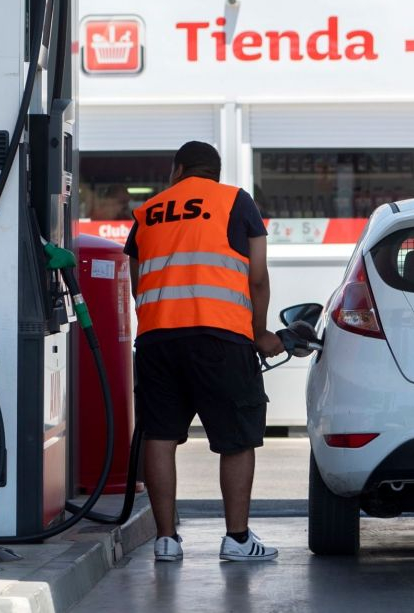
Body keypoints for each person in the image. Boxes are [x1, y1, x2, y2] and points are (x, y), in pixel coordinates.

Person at [123, 141, 285, 562]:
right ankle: (236, 539)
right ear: (214, 171)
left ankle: (165, 540)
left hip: (158, 339)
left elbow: (137, 279)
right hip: (221, 337)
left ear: (178, 170)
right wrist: (260, 332)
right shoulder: (235, 201)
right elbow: (258, 277)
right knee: (236, 439)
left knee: (159, 435)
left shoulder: (148, 211)